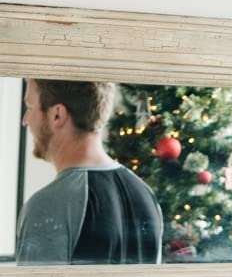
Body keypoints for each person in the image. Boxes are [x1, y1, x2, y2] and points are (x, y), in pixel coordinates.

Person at [16, 78, 162, 263]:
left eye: (29, 107)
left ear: (57, 115)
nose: (25, 120)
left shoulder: (47, 205)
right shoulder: (146, 194)